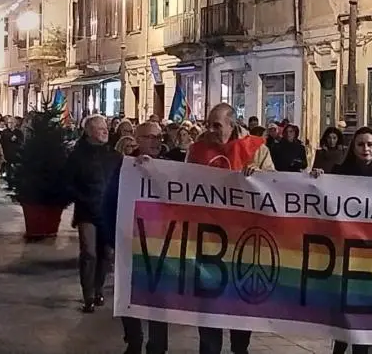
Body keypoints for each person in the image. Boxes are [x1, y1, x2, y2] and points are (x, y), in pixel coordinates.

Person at [186, 103, 274, 354]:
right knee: (209, 301)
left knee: (240, 301)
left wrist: (260, 176)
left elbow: (274, 185)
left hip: (243, 240)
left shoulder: (257, 150)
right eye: (208, 124)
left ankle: (240, 347)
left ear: (232, 125)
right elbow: (180, 181)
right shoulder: (198, 149)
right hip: (208, 239)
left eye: (217, 125)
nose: (211, 129)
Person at [310, 126, 372, 354]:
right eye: (360, 144)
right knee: (344, 304)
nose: (365, 149)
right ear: (353, 147)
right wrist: (319, 179)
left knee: (365, 308)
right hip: (346, 248)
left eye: (370, 144)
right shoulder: (340, 171)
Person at [102, 120, 171, 354]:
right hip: (130, 241)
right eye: (150, 137)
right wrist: (114, 239)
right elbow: (110, 203)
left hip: (162, 246)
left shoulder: (172, 165)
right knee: (129, 296)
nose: (156, 142)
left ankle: (157, 345)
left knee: (160, 299)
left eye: (159, 137)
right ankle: (133, 340)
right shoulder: (125, 168)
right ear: (137, 140)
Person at [66, 114, 123, 313]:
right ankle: (88, 295)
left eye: (105, 127)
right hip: (86, 212)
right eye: (100, 128)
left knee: (105, 253)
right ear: (89, 132)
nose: (105, 130)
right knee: (89, 252)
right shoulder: (77, 156)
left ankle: (99, 289)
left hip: (107, 212)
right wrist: (81, 196)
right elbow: (68, 181)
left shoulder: (114, 156)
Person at [0, 116, 24, 190]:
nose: (10, 124)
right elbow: (1, 143)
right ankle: (10, 185)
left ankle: (16, 185)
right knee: (8, 171)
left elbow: (22, 142)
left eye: (12, 123)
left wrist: (16, 140)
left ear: (15, 123)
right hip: (7, 154)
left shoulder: (19, 132)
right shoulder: (4, 132)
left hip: (16, 154)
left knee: (16, 170)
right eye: (9, 123)